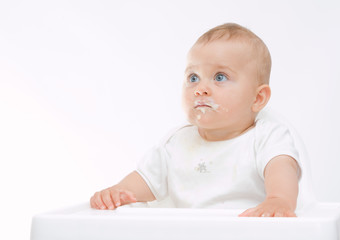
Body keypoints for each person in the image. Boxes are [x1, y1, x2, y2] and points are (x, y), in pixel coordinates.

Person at [90, 23, 302, 217]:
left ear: (257, 98)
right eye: (193, 78)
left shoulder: (267, 137)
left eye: (220, 77)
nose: (200, 89)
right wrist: (117, 193)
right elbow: (145, 180)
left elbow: (281, 171)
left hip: (247, 232)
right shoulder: (175, 144)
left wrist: (278, 200)